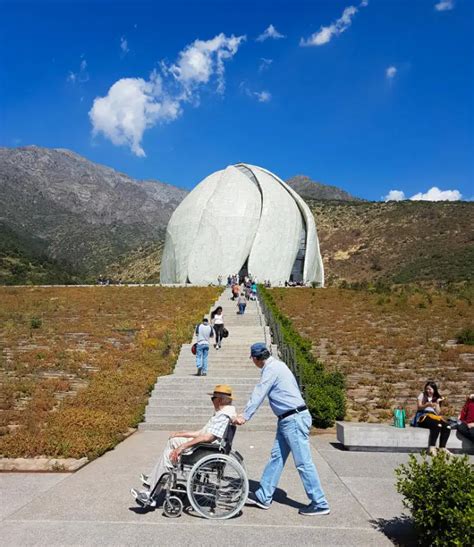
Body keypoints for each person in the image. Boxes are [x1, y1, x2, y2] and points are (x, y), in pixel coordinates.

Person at [233, 343, 330, 516]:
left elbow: (259, 392)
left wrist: (245, 415)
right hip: (287, 419)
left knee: (303, 462)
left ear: (255, 359)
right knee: (276, 458)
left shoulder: (271, 369)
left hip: (293, 419)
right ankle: (264, 496)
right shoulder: (279, 365)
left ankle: (319, 502)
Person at [131, 385, 236, 508]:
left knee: (169, 454)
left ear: (219, 400)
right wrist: (181, 433)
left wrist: (182, 447)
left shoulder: (223, 416)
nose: (212, 401)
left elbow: (207, 438)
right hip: (205, 447)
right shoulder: (223, 413)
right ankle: (155, 479)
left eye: (213, 398)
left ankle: (151, 491)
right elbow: (201, 433)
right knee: (173, 442)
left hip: (204, 450)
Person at [414, 381, 451, 456]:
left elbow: (438, 412)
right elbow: (419, 407)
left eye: (430, 389)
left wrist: (437, 403)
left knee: (447, 426)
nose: (428, 391)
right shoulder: (422, 395)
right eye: (427, 389)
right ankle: (431, 447)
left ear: (434, 389)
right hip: (423, 415)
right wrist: (427, 404)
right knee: (437, 425)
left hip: (434, 415)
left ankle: (442, 448)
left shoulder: (437, 398)